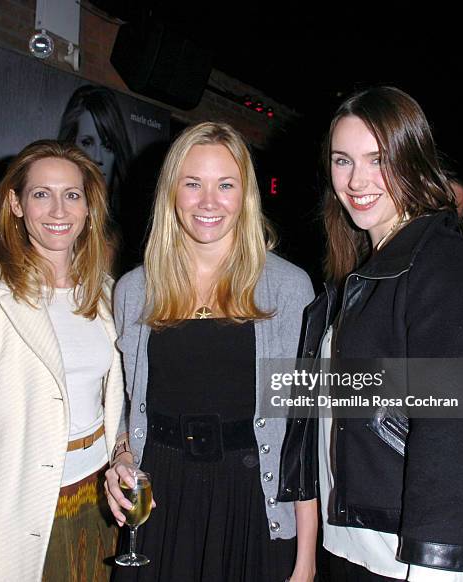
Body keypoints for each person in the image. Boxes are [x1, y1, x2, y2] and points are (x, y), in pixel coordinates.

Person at [279, 86, 463, 581]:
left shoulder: (445, 262)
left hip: (406, 559)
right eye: (343, 160)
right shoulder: (360, 272)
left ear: (414, 161)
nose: (358, 180)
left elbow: (460, 431)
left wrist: (438, 571)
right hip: (348, 544)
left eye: (378, 159)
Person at [105, 122, 318, 581]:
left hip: (251, 502)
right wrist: (121, 455)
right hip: (162, 501)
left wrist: (306, 554)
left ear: (247, 195)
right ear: (171, 193)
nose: (208, 201)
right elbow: (123, 403)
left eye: (225, 185)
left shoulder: (289, 289)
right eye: (192, 183)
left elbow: (303, 431)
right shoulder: (133, 291)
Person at [0, 140, 124, 581]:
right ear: (15, 203)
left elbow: (114, 402)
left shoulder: (109, 294)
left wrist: (124, 454)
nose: (59, 210)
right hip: (23, 512)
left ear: (89, 207)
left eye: (72, 195)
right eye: (41, 194)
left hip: (102, 503)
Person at [59, 85, 134, 216]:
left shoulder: (131, 225)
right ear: (69, 144)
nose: (98, 158)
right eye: (87, 143)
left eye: (108, 146)